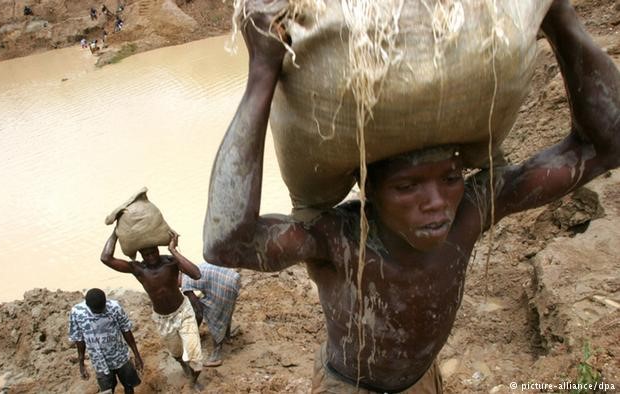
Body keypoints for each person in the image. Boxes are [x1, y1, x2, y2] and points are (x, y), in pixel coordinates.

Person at [202, 1, 620, 393]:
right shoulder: (339, 237)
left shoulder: (473, 208)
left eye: (451, 178)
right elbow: (226, 243)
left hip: (423, 380)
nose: (437, 201)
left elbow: (605, 146)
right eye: (407, 186)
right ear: (370, 191)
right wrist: (262, 72)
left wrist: (561, 20)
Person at [101, 230, 205, 388]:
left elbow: (196, 274)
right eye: (146, 254)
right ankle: (183, 365)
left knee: (195, 356)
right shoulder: (138, 269)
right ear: (141, 255)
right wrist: (116, 233)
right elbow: (106, 258)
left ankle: (193, 379)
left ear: (158, 249)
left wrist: (173, 249)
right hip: (163, 318)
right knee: (176, 352)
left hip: (183, 312)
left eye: (153, 252)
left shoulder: (171, 262)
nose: (151, 257)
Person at [68, 288, 143, 394]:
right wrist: (81, 364)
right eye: (96, 311)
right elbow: (79, 339)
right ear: (88, 305)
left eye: (101, 309)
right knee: (107, 390)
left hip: (120, 356)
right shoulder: (77, 313)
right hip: (99, 362)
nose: (99, 313)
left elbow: (126, 330)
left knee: (129, 385)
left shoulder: (114, 307)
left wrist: (137, 355)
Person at [181, 263, 241, 367]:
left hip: (223, 285)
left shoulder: (185, 284)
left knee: (214, 316)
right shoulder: (189, 268)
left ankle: (216, 355)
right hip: (232, 277)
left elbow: (198, 310)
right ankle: (226, 336)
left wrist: (194, 331)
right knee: (225, 310)